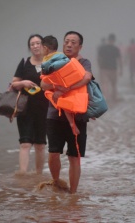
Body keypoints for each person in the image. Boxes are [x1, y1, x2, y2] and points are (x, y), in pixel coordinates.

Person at [41, 31, 93, 194]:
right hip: (54, 114)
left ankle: (73, 194)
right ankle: (56, 182)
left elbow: (86, 78)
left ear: (80, 46)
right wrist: (56, 85)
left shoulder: (84, 62)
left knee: (74, 156)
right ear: (63, 44)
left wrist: (67, 87)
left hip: (78, 114)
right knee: (53, 152)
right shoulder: (54, 60)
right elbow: (43, 85)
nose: (69, 45)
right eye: (67, 41)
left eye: (73, 42)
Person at [10, 34, 49, 175]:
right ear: (29, 47)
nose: (35, 46)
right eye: (32, 44)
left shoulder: (49, 62)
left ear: (43, 46)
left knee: (40, 145)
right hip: (25, 108)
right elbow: (13, 83)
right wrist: (23, 83)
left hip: (45, 108)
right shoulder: (24, 62)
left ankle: (38, 175)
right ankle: (22, 174)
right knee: (25, 143)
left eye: (38, 43)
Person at [41, 35, 82, 135]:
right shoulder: (60, 55)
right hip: (66, 82)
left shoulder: (47, 60)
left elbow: (45, 74)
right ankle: (73, 122)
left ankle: (72, 123)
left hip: (61, 83)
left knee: (63, 103)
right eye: (67, 42)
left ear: (45, 48)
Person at [97, 33, 122, 103]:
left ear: (108, 40)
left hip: (104, 68)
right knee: (113, 84)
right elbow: (119, 60)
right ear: (114, 40)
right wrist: (121, 69)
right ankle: (113, 97)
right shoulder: (116, 49)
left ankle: (107, 98)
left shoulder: (102, 48)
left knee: (105, 84)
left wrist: (100, 67)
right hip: (113, 68)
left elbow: (99, 58)